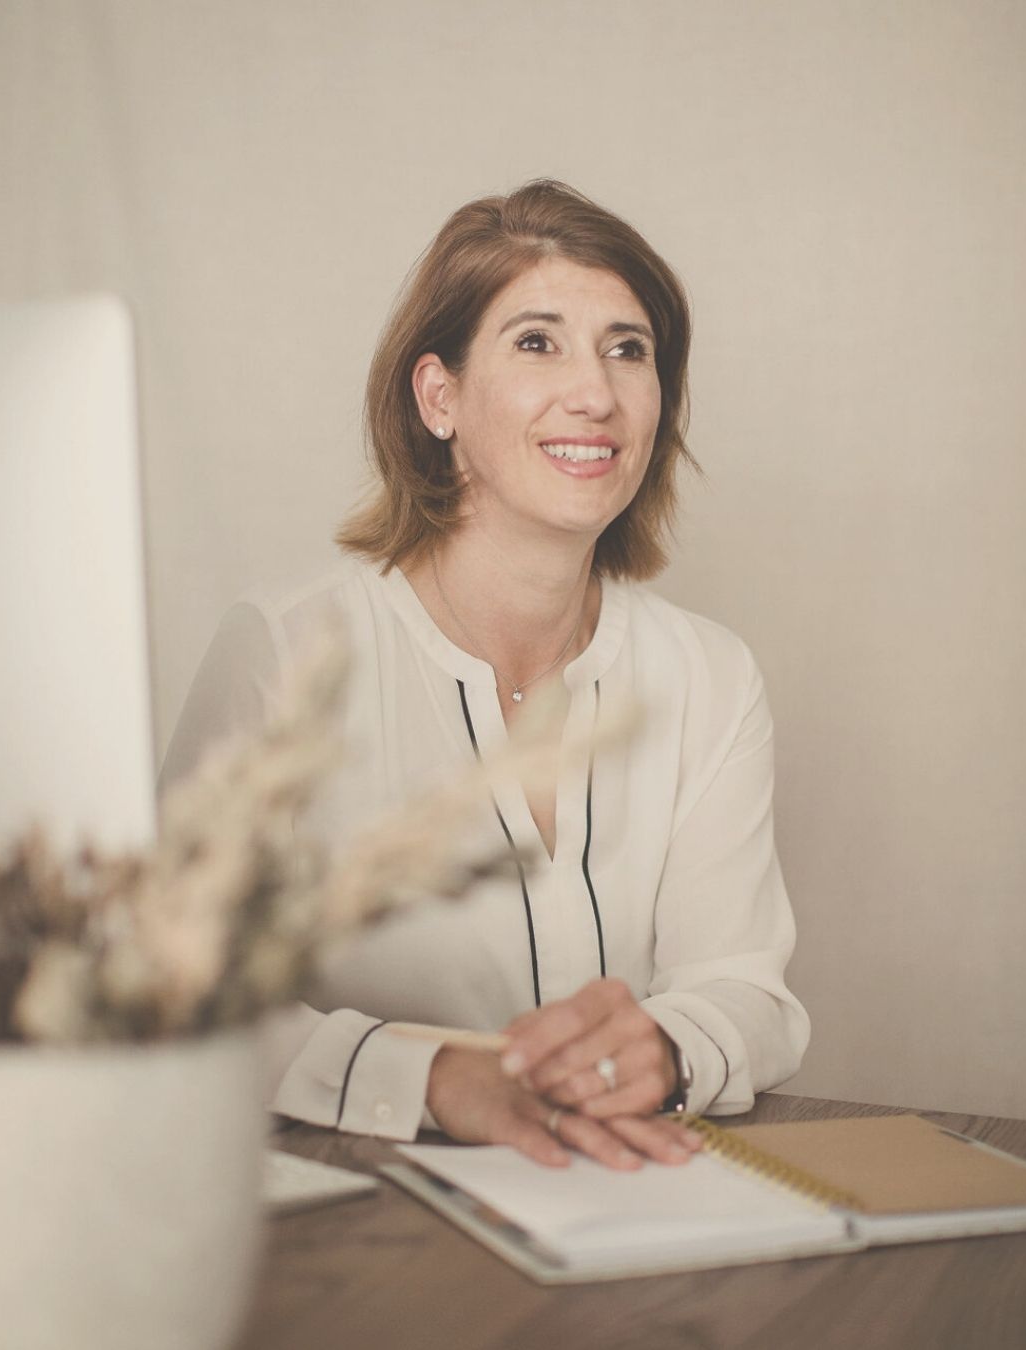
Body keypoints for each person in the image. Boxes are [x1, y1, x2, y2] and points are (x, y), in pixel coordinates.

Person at [161, 180, 809, 1171]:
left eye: (628, 349)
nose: (595, 392)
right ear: (440, 397)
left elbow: (746, 990)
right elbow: (170, 996)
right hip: (351, 1224)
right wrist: (430, 1077)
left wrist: (669, 1048)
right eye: (538, 341)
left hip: (627, 1208)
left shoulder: (712, 675)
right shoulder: (288, 653)